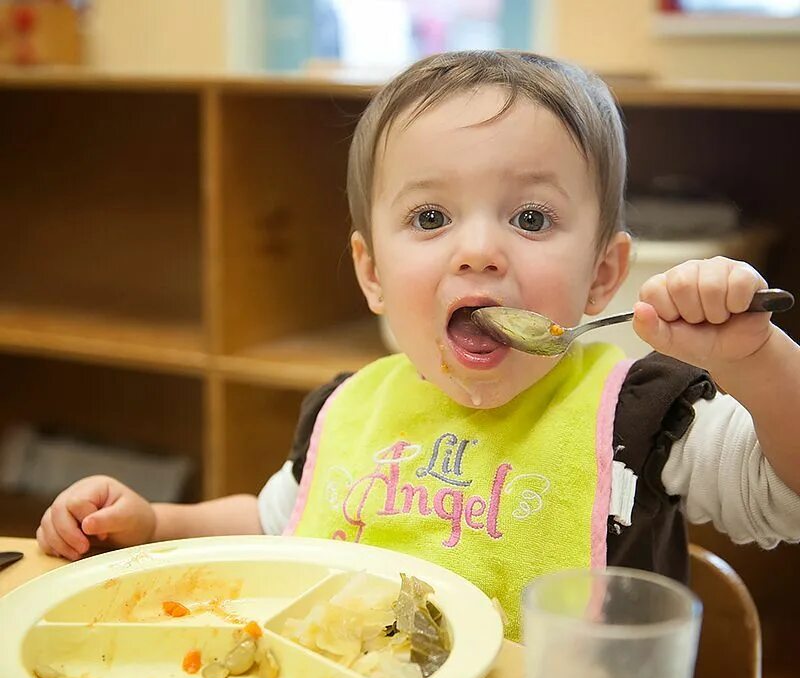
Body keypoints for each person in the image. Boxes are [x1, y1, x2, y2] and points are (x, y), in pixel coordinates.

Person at [36, 51, 800, 640]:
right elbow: (277, 523)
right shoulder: (353, 410)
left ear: (603, 276)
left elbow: (788, 496)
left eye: (530, 220)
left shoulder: (639, 414)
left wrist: (755, 361)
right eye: (431, 218)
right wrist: (156, 524)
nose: (478, 251)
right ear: (371, 274)